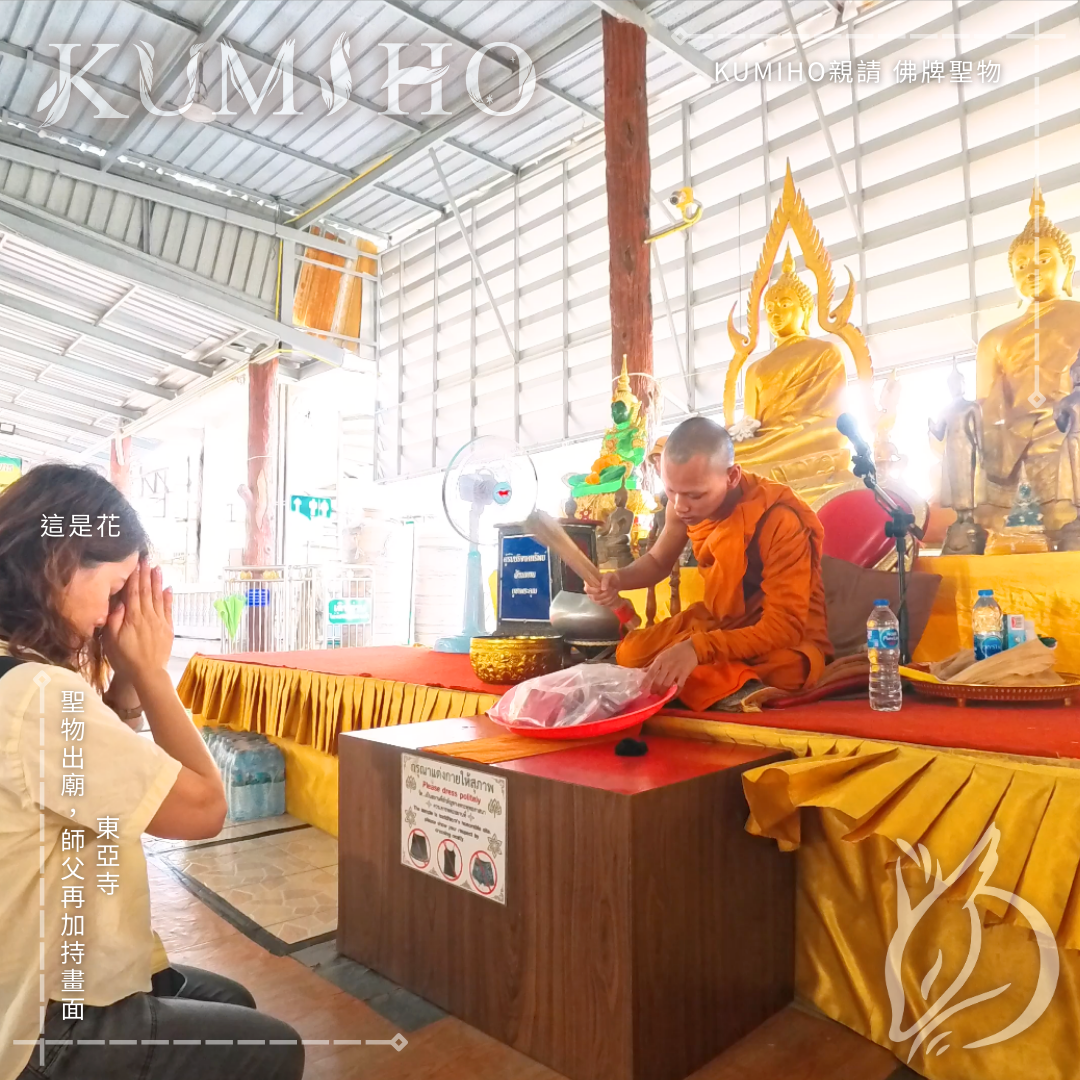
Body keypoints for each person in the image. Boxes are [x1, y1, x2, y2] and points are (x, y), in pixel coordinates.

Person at [0, 464, 304, 1080]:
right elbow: (203, 811)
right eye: (115, 592)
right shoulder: (38, 693)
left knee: (230, 1001)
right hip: (44, 1017)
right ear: (61, 560)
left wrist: (127, 687)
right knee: (275, 1049)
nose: (116, 617)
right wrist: (153, 673)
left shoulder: (15, 673)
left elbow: (89, 774)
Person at [585, 417, 832, 711]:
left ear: (732, 477)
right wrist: (617, 579)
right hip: (721, 621)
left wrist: (697, 649)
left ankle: (718, 680)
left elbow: (783, 627)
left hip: (776, 636)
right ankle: (722, 682)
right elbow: (658, 561)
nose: (680, 506)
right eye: (672, 491)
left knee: (789, 668)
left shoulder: (779, 520)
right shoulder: (683, 505)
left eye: (694, 495)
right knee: (631, 653)